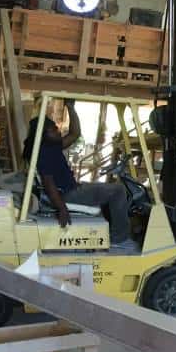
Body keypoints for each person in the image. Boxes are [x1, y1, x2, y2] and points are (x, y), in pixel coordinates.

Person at [23, 100, 137, 251]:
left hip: (72, 188)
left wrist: (70, 108)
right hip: (68, 194)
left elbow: (75, 133)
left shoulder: (50, 146)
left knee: (109, 189)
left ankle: (112, 231)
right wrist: (62, 208)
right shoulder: (44, 152)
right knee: (118, 191)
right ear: (43, 134)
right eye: (53, 129)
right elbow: (49, 184)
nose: (58, 130)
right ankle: (120, 239)